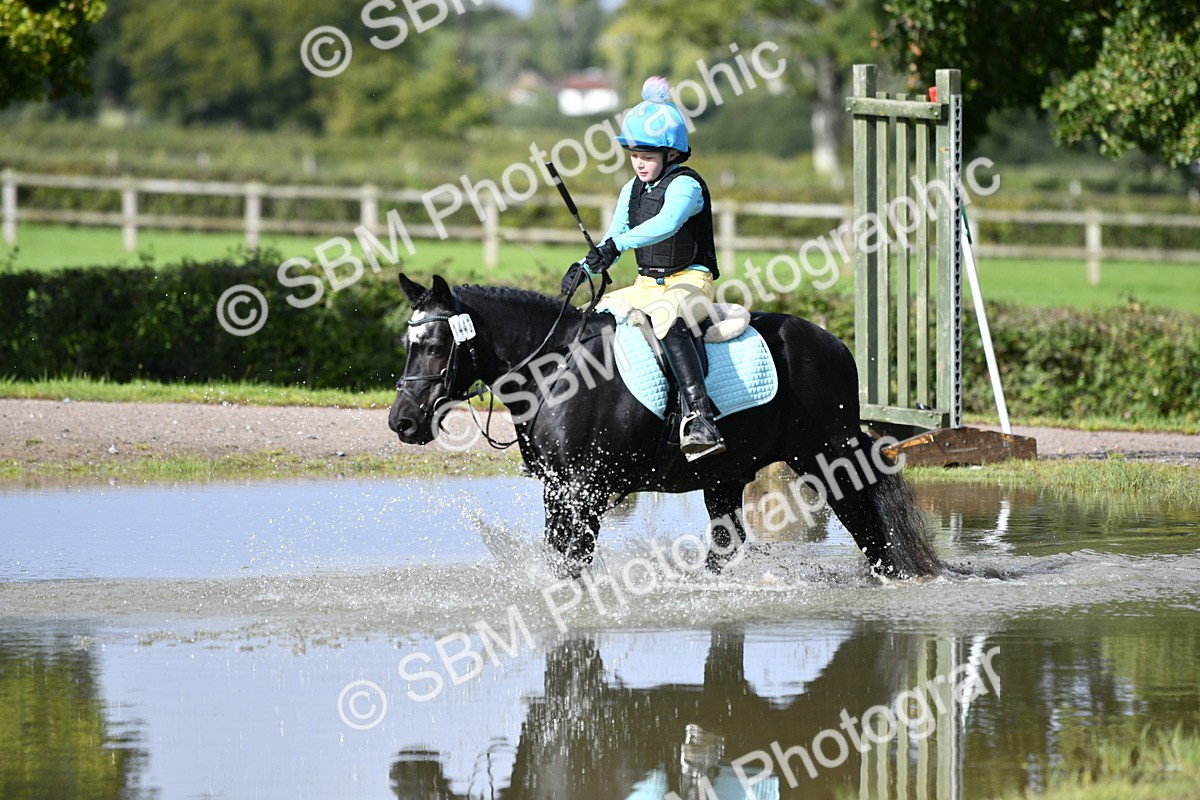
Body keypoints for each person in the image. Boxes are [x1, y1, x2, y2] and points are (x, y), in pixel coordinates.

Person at [561, 76, 724, 462]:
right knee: (589, 321)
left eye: (647, 156)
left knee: (666, 316)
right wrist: (587, 266)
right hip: (644, 285)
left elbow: (665, 224)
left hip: (691, 282)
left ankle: (701, 417)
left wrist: (617, 245)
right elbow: (615, 236)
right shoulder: (630, 190)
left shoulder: (687, 187)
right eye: (634, 154)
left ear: (671, 154)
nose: (639, 162)